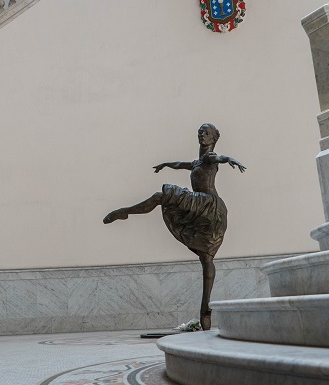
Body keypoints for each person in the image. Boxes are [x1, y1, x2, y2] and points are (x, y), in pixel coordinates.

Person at [103, 123, 245, 331]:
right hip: (200, 204)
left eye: (206, 133)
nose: (201, 135)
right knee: (205, 257)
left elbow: (218, 158)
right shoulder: (197, 161)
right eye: (200, 132)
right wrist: (166, 164)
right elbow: (181, 164)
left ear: (214, 138)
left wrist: (230, 159)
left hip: (208, 205)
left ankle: (205, 309)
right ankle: (205, 308)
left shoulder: (209, 157)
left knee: (164, 198)